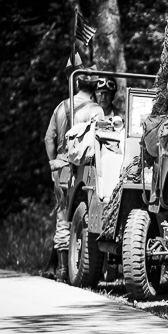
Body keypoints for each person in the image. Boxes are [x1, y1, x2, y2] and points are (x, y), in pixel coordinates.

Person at [43, 54, 105, 283]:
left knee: (62, 216)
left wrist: (54, 163)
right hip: (83, 168)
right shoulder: (96, 110)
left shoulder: (61, 106)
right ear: (96, 86)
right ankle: (71, 269)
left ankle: (61, 270)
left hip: (61, 168)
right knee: (83, 216)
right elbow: (101, 141)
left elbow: (48, 138)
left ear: (78, 83)